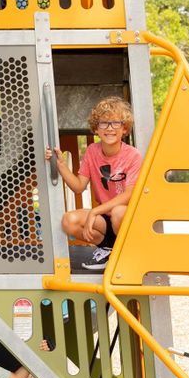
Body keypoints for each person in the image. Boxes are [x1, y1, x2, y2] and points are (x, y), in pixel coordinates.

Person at [45, 96, 142, 270]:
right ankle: (108, 249)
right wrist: (60, 164)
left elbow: (129, 195)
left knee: (119, 211)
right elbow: (78, 186)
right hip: (106, 219)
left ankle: (125, 254)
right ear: (96, 128)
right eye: (104, 123)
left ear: (124, 128)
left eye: (116, 123)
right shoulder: (92, 151)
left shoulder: (132, 155)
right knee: (69, 221)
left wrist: (95, 211)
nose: (109, 128)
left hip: (126, 218)